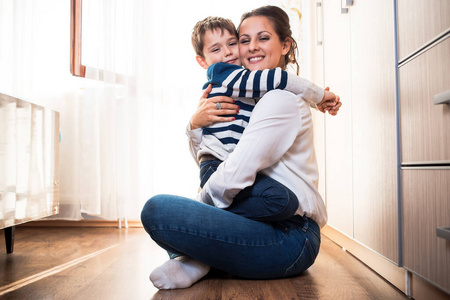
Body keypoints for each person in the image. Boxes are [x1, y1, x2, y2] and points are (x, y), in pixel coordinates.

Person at [141, 5, 341, 290]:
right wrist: (195, 124)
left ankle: (193, 257)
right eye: (245, 40)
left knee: (160, 211)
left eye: (262, 38)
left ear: (285, 45)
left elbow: (235, 171)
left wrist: (200, 208)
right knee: (174, 211)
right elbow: (213, 158)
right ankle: (196, 261)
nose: (249, 48)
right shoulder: (248, 97)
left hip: (290, 235)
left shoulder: (280, 100)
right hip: (259, 219)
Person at [188, 16, 338, 221]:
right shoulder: (223, 72)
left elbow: (272, 85)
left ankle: (203, 222)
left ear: (285, 45)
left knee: (279, 200)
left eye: (232, 43)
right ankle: (202, 218)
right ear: (202, 61)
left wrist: (313, 99)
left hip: (225, 168)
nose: (228, 52)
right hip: (217, 165)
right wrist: (318, 95)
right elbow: (277, 79)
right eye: (216, 49)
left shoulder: (254, 88)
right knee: (278, 200)